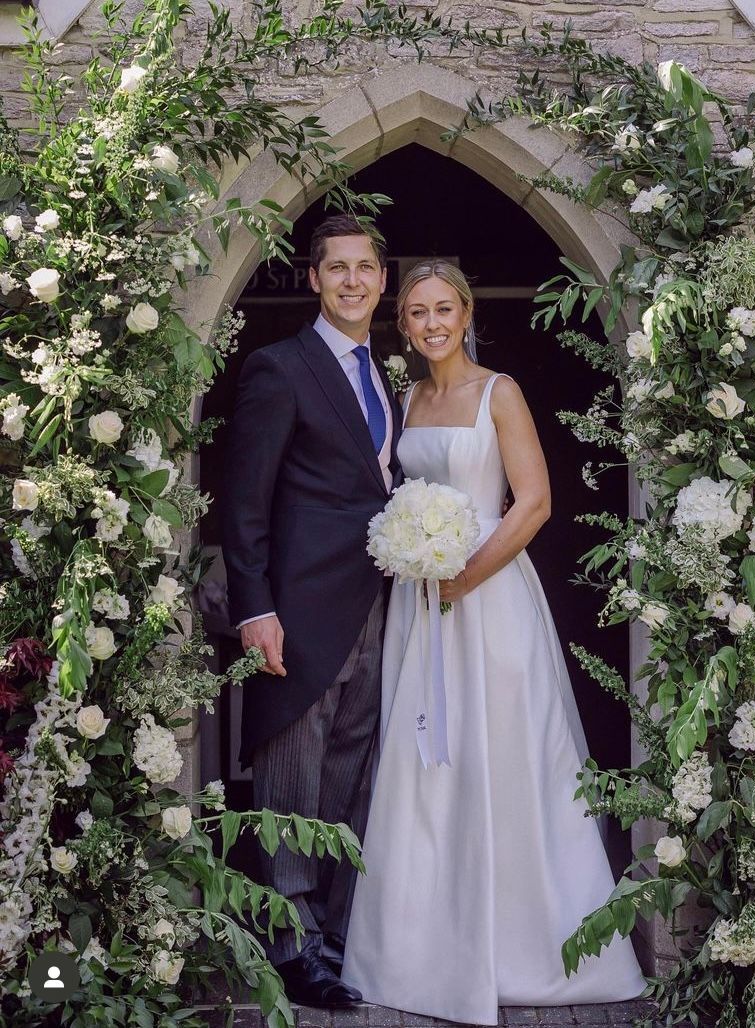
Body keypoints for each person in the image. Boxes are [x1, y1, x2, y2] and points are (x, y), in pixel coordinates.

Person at [341, 260, 648, 1024]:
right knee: (423, 761)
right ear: (403, 324)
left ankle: (526, 949)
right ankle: (418, 950)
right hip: (422, 599)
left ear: (467, 311)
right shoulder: (408, 397)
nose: (432, 323)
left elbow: (535, 502)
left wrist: (466, 575)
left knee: (503, 753)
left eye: (444, 309)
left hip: (489, 595)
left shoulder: (498, 392)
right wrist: (415, 557)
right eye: (417, 313)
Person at [221, 214, 403, 1008]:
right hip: (294, 613)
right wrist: (254, 609)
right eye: (338, 269)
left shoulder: (383, 375)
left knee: (348, 774)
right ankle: (291, 947)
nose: (353, 281)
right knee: (292, 775)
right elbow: (244, 502)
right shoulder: (279, 367)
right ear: (314, 279)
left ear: (382, 279)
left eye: (366, 268)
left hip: (373, 603)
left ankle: (331, 932)